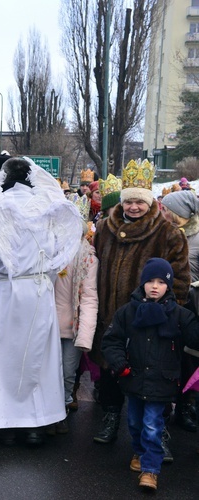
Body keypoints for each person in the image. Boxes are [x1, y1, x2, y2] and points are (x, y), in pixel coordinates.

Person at [0, 157, 82, 445]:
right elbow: (62, 250)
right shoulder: (48, 206)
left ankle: (3, 424)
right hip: (37, 291)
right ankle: (36, 425)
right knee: (38, 358)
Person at [91, 159, 189, 453]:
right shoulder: (105, 230)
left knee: (153, 378)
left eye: (139, 201)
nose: (133, 207)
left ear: (149, 202)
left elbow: (181, 280)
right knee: (112, 368)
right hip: (111, 315)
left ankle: (158, 433)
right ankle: (110, 416)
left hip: (152, 321)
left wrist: (167, 315)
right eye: (129, 201)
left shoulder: (169, 234)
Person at [101, 258, 199, 491]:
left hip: (162, 382)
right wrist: (120, 364)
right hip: (133, 378)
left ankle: (150, 470)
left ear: (169, 285)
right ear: (142, 283)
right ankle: (139, 450)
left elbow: (195, 338)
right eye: (150, 281)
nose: (155, 286)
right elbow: (111, 340)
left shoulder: (179, 315)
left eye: (161, 282)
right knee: (134, 422)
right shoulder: (128, 311)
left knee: (153, 425)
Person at [53, 195, 99, 432]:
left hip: (72, 328)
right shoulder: (48, 252)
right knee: (45, 372)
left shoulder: (88, 258)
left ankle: (59, 413)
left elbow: (90, 298)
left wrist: (85, 336)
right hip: (46, 324)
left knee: (66, 373)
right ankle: (45, 414)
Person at [160, 190, 199, 432]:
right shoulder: (164, 233)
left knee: (188, 360)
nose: (163, 212)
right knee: (164, 356)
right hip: (164, 302)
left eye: (167, 209)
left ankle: (186, 405)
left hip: (192, 306)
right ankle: (163, 407)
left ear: (179, 214)